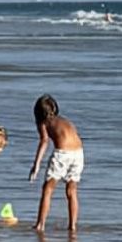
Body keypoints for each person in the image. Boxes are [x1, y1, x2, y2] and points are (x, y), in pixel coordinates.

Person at [26, 94, 84, 231]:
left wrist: (36, 165)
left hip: (63, 153)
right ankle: (72, 226)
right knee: (72, 191)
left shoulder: (43, 123)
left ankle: (40, 224)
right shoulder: (64, 120)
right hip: (79, 152)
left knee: (48, 189)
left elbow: (44, 141)